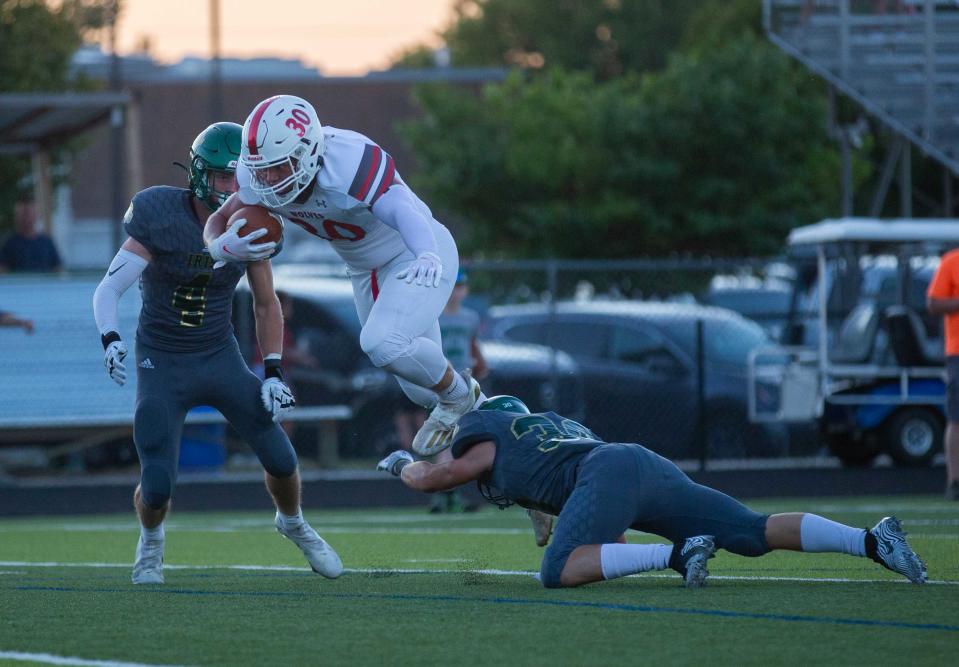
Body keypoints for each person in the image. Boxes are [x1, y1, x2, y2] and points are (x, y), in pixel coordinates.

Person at [93, 121, 342, 584]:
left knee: (282, 456)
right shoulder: (159, 212)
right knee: (158, 482)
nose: (231, 187)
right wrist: (110, 336)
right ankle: (151, 541)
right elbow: (110, 288)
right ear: (199, 174)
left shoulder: (249, 217)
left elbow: (267, 303)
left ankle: (293, 523)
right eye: (222, 177)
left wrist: (273, 371)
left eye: (237, 176)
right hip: (162, 359)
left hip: (216, 353)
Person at [376, 395, 928, 589]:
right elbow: (612, 537)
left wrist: (402, 461)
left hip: (605, 471)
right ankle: (871, 542)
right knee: (750, 531)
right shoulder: (549, 433)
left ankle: (678, 554)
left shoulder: (490, 436)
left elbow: (436, 476)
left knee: (555, 572)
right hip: (635, 461)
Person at [202, 95, 487, 457]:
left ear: (307, 152)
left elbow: (402, 211)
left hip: (412, 254)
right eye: (263, 169)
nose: (269, 179)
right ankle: (500, 423)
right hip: (363, 269)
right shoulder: (256, 173)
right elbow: (218, 219)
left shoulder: (349, 162)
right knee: (418, 388)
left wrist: (427, 253)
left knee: (383, 343)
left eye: (280, 166)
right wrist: (218, 246)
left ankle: (460, 397)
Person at [429, 267, 487, 513]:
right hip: (441, 383)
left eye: (460, 286)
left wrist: (481, 365)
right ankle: (444, 490)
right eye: (452, 287)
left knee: (455, 439)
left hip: (466, 383)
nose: (455, 292)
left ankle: (446, 491)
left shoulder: (470, 317)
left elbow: (473, 347)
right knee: (443, 439)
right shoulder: (433, 316)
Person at [927, 248, 959, 501]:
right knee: (956, 417)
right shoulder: (952, 261)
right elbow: (934, 302)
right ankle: (955, 481)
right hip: (957, 351)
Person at [0, 196, 62, 273]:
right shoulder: (9, 244)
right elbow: (3, 271)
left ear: (36, 215)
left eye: (28, 213)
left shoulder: (47, 243)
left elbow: (58, 270)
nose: (25, 218)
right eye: (22, 214)